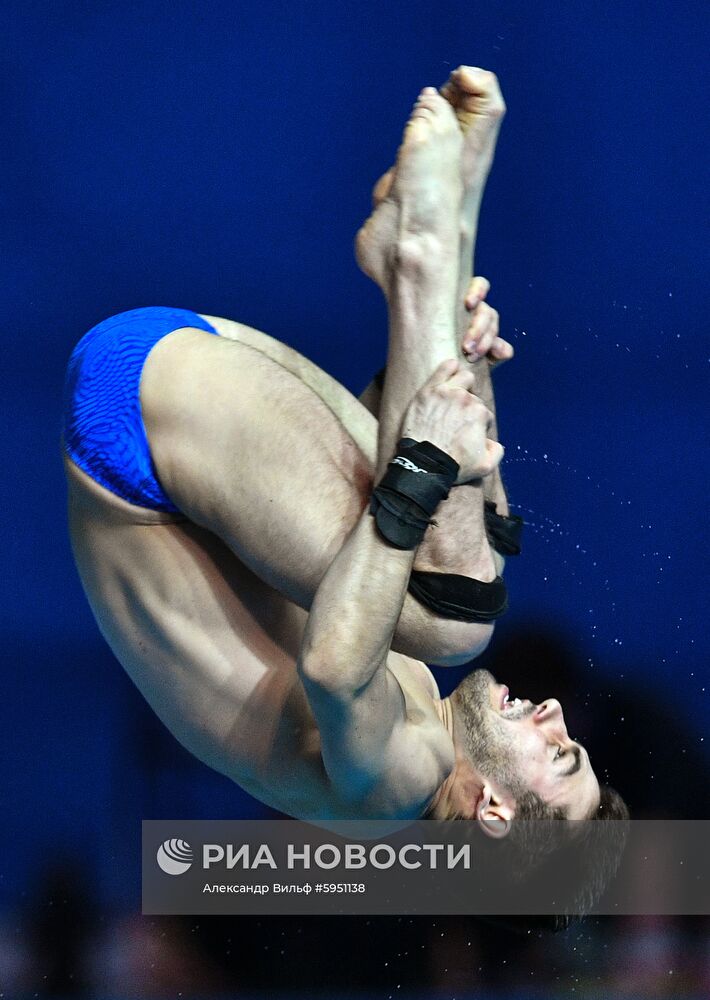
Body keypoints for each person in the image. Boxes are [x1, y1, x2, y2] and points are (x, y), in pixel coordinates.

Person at [64, 68, 626, 839]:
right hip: (175, 396)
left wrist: (432, 453)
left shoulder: (396, 790)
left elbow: (332, 664)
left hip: (132, 447)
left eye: (560, 757)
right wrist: (460, 380)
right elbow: (321, 499)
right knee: (438, 562)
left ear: (493, 812)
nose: (559, 717)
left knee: (452, 618)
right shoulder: (421, 709)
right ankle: (431, 263)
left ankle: (429, 252)